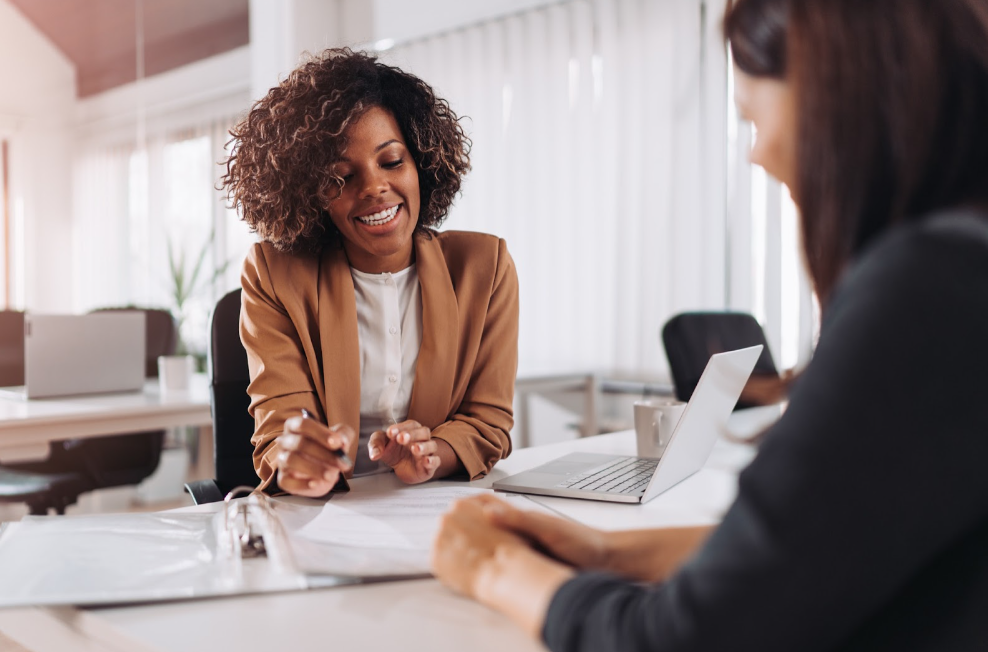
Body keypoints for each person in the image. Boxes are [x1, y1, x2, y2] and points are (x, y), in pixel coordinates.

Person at [431, 0, 988, 649]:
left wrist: (494, 567)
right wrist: (608, 554)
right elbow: (818, 554)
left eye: (752, 117)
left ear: (837, 97)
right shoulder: (961, 268)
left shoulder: (925, 290)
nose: (759, 154)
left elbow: (690, 637)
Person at [222, 49, 518, 496]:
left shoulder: (484, 267)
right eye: (340, 177)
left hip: (434, 510)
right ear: (311, 195)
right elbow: (280, 428)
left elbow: (487, 421)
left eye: (392, 161)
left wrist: (433, 455)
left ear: (421, 161)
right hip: (321, 518)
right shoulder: (273, 273)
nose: (374, 188)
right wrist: (298, 460)